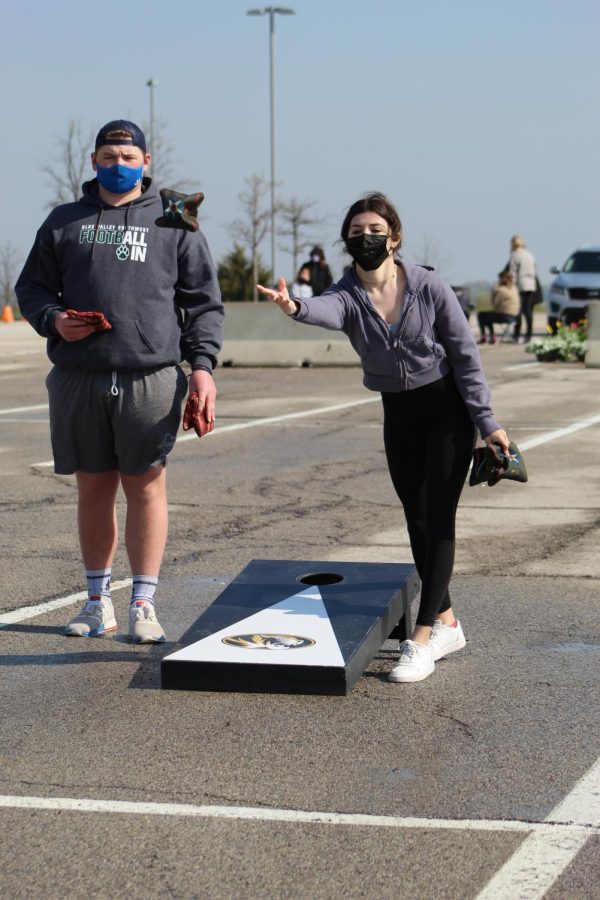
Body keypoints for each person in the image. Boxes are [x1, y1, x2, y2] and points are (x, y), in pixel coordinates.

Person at [257, 192, 510, 684]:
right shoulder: (347, 293)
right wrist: (294, 306)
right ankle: (449, 622)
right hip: (399, 413)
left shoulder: (429, 286)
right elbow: (325, 310)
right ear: (347, 241)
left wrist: (488, 422)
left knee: (438, 516)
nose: (366, 237)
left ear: (394, 237)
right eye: (357, 231)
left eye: (375, 229)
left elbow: (465, 356)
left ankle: (419, 640)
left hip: (447, 410)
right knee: (414, 516)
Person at [15, 119, 223, 643]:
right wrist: (53, 319)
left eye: (128, 156)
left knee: (146, 488)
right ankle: (95, 603)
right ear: (93, 162)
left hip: (149, 375)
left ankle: (144, 604)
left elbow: (202, 301)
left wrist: (202, 369)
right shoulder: (64, 220)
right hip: (79, 376)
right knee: (93, 489)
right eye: (108, 156)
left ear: (147, 162)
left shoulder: (175, 213)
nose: (118, 164)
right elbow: (32, 289)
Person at [477, 270, 520, 344]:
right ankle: (491, 335)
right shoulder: (514, 288)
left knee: (481, 315)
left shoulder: (501, 290)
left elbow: (494, 304)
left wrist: (493, 291)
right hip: (514, 316)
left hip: (504, 316)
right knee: (488, 316)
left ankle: (486, 335)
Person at [507, 235, 537, 342]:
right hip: (531, 285)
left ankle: (517, 333)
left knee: (518, 310)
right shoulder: (530, 255)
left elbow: (512, 273)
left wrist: (511, 285)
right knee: (528, 311)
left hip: (520, 285)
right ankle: (529, 334)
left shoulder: (515, 255)